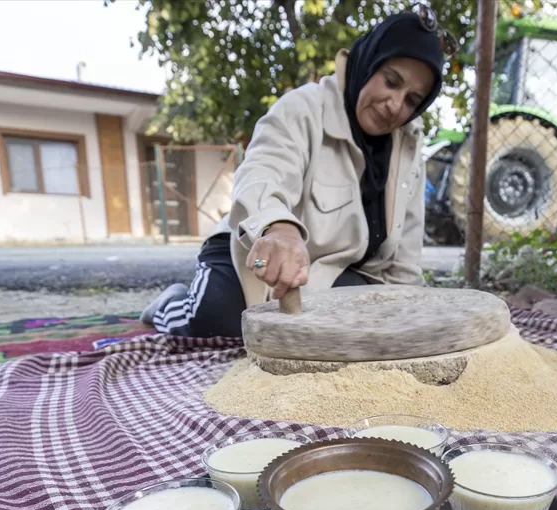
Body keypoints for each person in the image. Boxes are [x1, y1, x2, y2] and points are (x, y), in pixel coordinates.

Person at [142, 8, 451, 338]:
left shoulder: (408, 145)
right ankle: (171, 302)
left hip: (327, 275)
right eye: (391, 81)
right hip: (255, 255)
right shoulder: (303, 108)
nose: (394, 104)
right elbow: (262, 171)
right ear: (369, 62)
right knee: (219, 321)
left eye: (412, 99)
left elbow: (404, 257)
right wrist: (280, 230)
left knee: (363, 324)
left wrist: (409, 316)